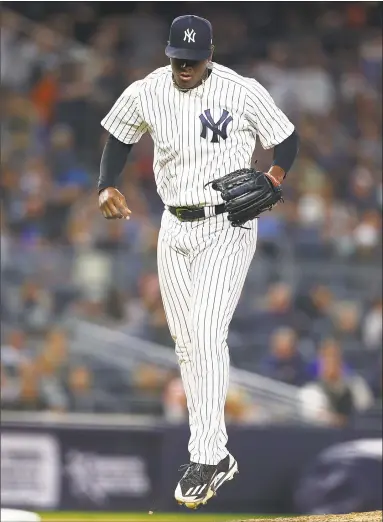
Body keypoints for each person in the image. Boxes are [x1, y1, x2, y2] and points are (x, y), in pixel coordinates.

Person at [97, 15, 299, 509]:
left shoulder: (241, 90)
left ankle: (208, 455)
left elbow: (287, 138)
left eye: (192, 60)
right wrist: (106, 183)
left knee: (207, 332)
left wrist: (272, 179)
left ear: (209, 54)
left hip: (227, 223)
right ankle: (214, 455)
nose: (183, 67)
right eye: (176, 59)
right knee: (187, 345)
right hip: (174, 224)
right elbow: (120, 135)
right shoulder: (149, 90)